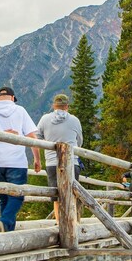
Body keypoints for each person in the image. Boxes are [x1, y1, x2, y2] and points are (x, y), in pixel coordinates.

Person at [0, 86, 42, 232]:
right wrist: (37, 159)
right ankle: (4, 221)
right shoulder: (19, 110)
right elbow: (31, 137)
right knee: (17, 196)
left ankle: (7, 232)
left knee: (4, 197)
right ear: (12, 98)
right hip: (16, 161)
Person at [36, 93, 83, 221]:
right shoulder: (74, 120)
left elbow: (37, 136)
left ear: (54, 105)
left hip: (52, 162)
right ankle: (74, 222)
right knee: (73, 193)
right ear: (67, 106)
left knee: (56, 195)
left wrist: (48, 144)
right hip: (72, 161)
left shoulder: (45, 119)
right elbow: (79, 141)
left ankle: (58, 222)